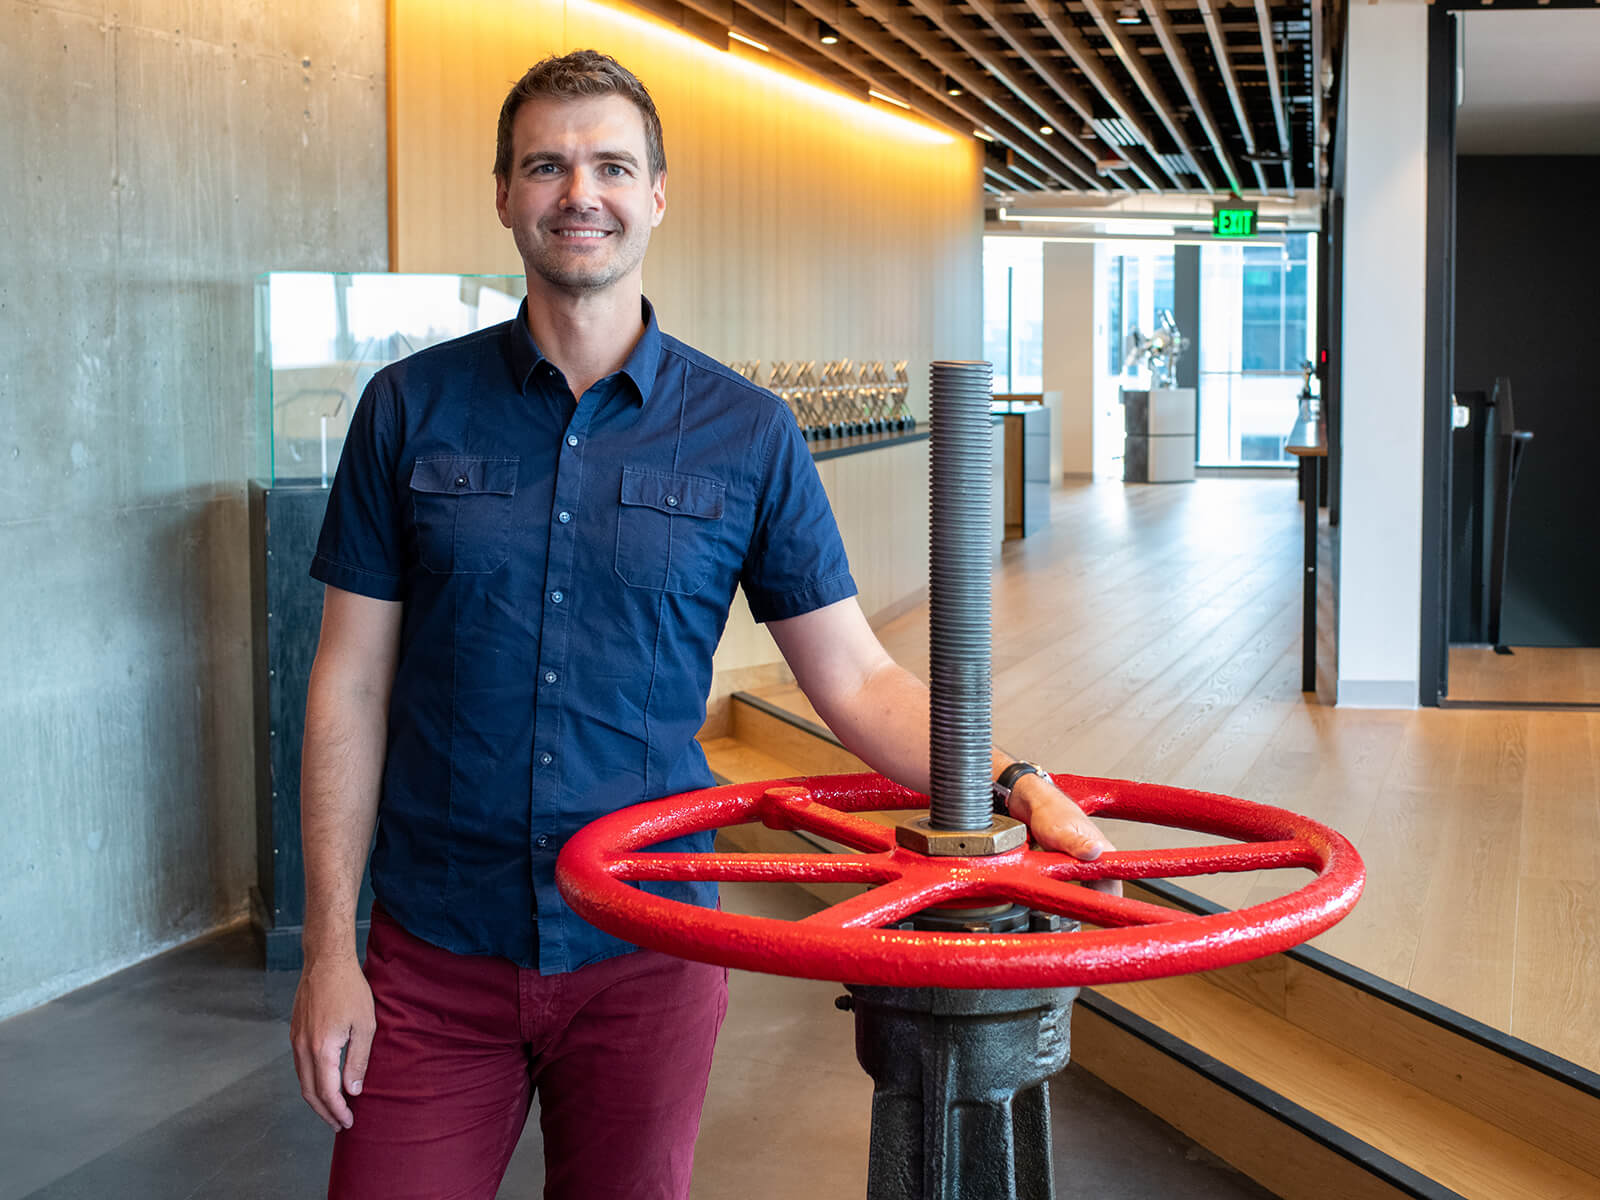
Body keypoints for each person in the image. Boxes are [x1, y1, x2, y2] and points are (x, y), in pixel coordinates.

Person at [289, 49, 1116, 1200]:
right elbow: (349, 688)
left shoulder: (748, 432)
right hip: (434, 952)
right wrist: (331, 950)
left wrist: (1012, 781)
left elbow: (857, 677)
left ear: (657, 196)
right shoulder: (406, 410)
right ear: (505, 195)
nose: (580, 191)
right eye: (547, 164)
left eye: (612, 165)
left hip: (649, 950)